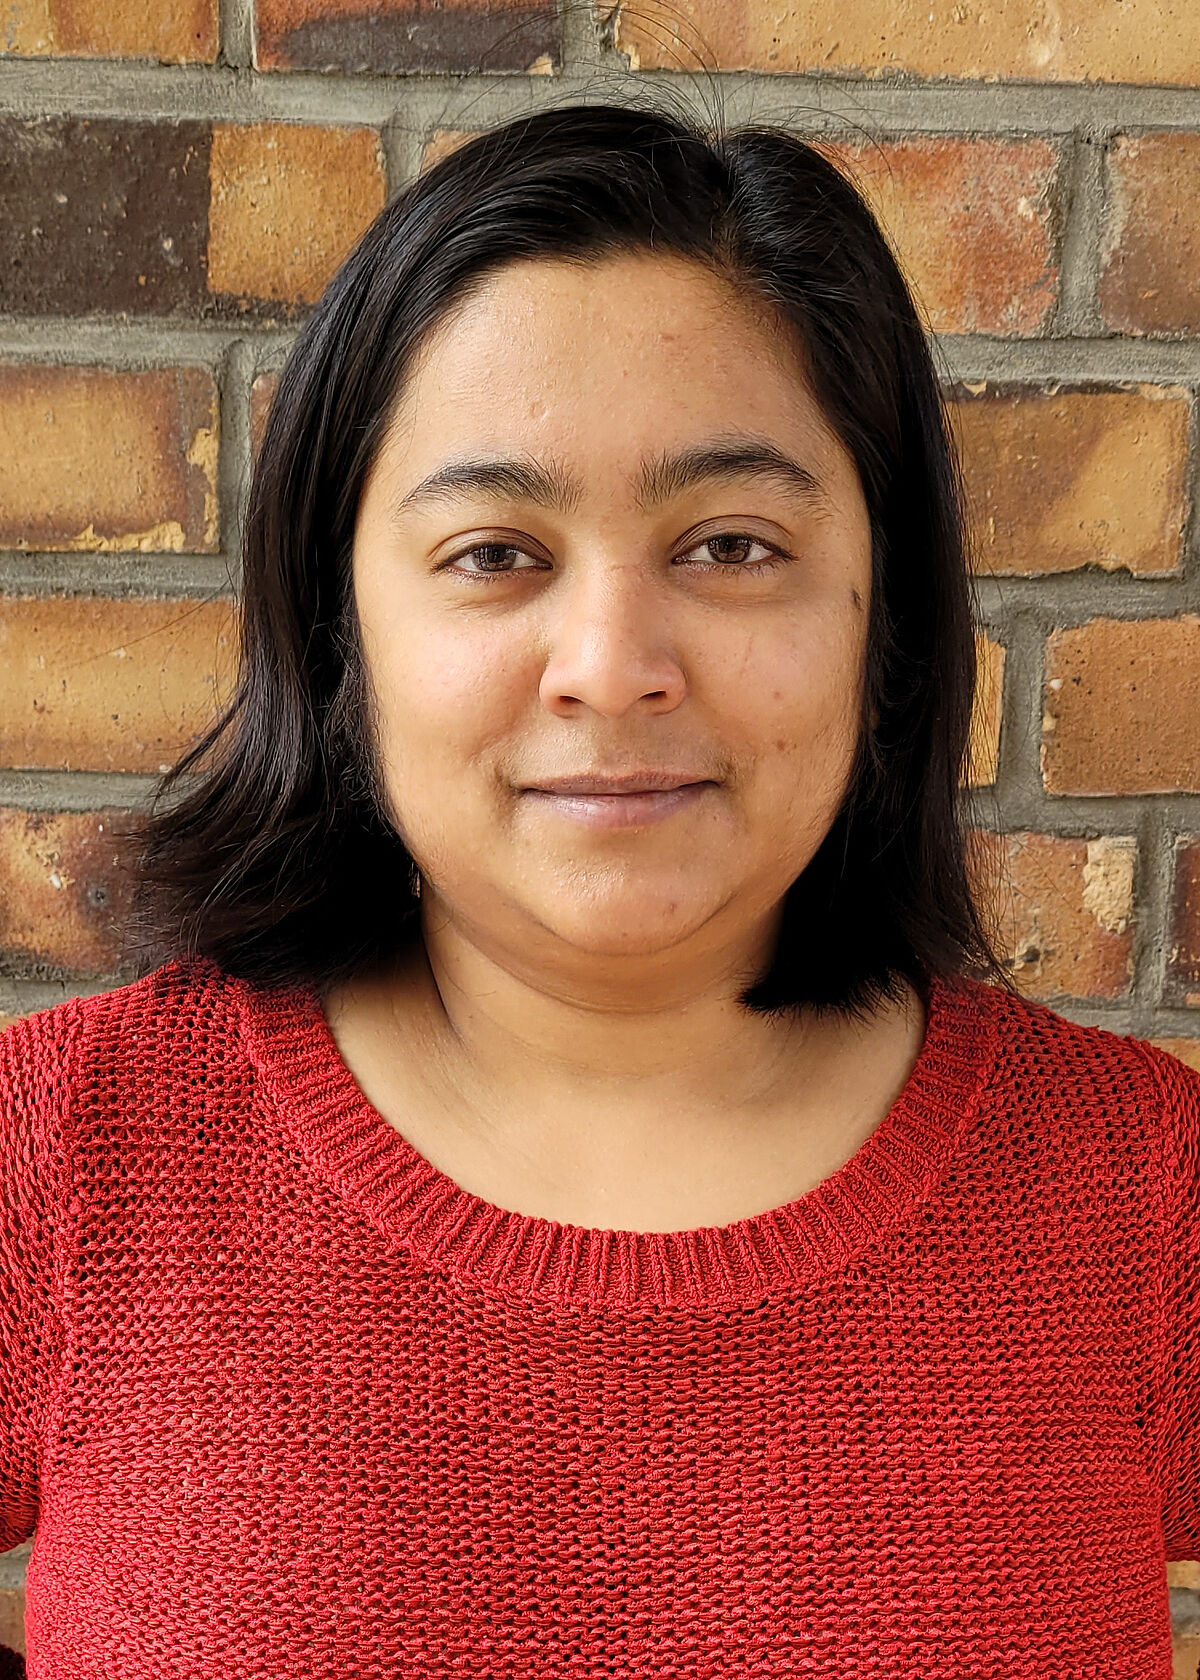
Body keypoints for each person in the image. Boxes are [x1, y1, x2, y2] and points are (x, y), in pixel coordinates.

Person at [1, 100, 1197, 1678]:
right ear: (337, 622)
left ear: (881, 607)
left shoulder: (1141, 1194)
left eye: (733, 546)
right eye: (496, 553)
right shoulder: (64, 1154)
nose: (614, 669)